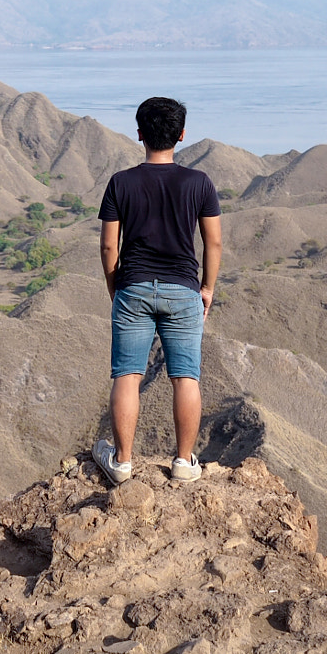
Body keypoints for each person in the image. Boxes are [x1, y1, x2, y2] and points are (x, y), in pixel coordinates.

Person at [94, 96, 222, 485]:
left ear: (139, 135)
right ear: (181, 135)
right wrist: (207, 289)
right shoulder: (199, 183)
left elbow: (107, 246)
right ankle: (184, 462)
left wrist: (116, 288)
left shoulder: (121, 183)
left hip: (132, 287)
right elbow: (213, 244)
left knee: (127, 376)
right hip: (183, 290)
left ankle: (122, 462)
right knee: (185, 378)